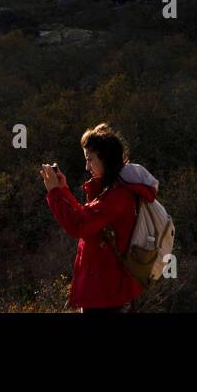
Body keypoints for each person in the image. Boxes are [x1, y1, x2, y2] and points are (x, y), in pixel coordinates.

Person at [40, 122, 158, 312]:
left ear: (106, 159)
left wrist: (55, 193)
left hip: (106, 295)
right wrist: (62, 190)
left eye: (90, 159)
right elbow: (87, 220)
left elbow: (79, 226)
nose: (87, 166)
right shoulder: (111, 191)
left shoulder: (118, 196)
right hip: (104, 292)